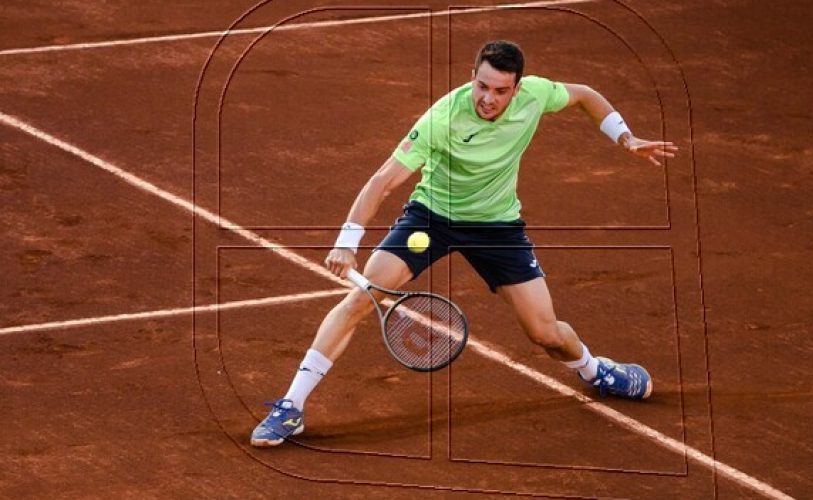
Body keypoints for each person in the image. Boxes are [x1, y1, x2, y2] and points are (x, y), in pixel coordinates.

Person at [251, 40, 677, 447]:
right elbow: (383, 181)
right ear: (471, 76)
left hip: (497, 226)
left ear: (518, 88)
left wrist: (626, 137)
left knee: (545, 333)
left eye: (500, 91)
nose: (488, 98)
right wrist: (348, 242)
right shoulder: (442, 119)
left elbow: (585, 95)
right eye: (482, 86)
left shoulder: (537, 96)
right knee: (361, 299)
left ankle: (593, 369)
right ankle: (291, 405)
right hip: (432, 218)